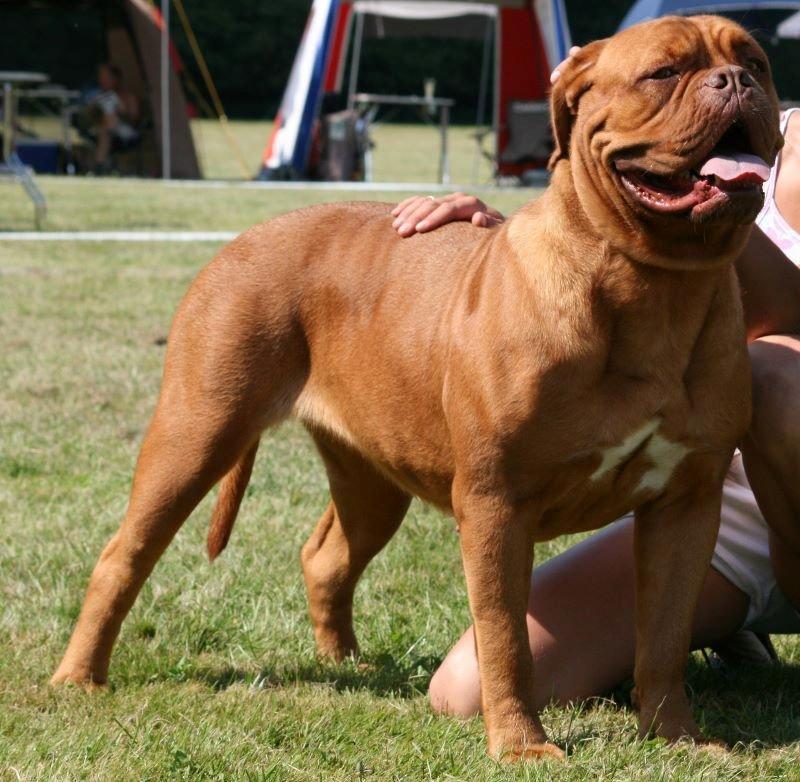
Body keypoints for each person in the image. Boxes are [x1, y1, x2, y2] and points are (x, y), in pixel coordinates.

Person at [390, 104, 800, 718]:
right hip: (729, 499)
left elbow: (774, 320)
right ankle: (706, 618)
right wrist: (511, 236)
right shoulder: (749, 128)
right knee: (467, 693)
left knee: (776, 387)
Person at [81, 64, 140, 174]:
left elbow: (134, 120)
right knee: (105, 130)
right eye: (101, 78)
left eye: (106, 77)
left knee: (107, 129)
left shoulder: (128, 97)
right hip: (104, 130)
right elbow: (86, 118)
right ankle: (101, 165)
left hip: (125, 133)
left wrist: (121, 112)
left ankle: (99, 167)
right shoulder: (99, 97)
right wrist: (93, 110)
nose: (103, 81)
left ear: (116, 79)